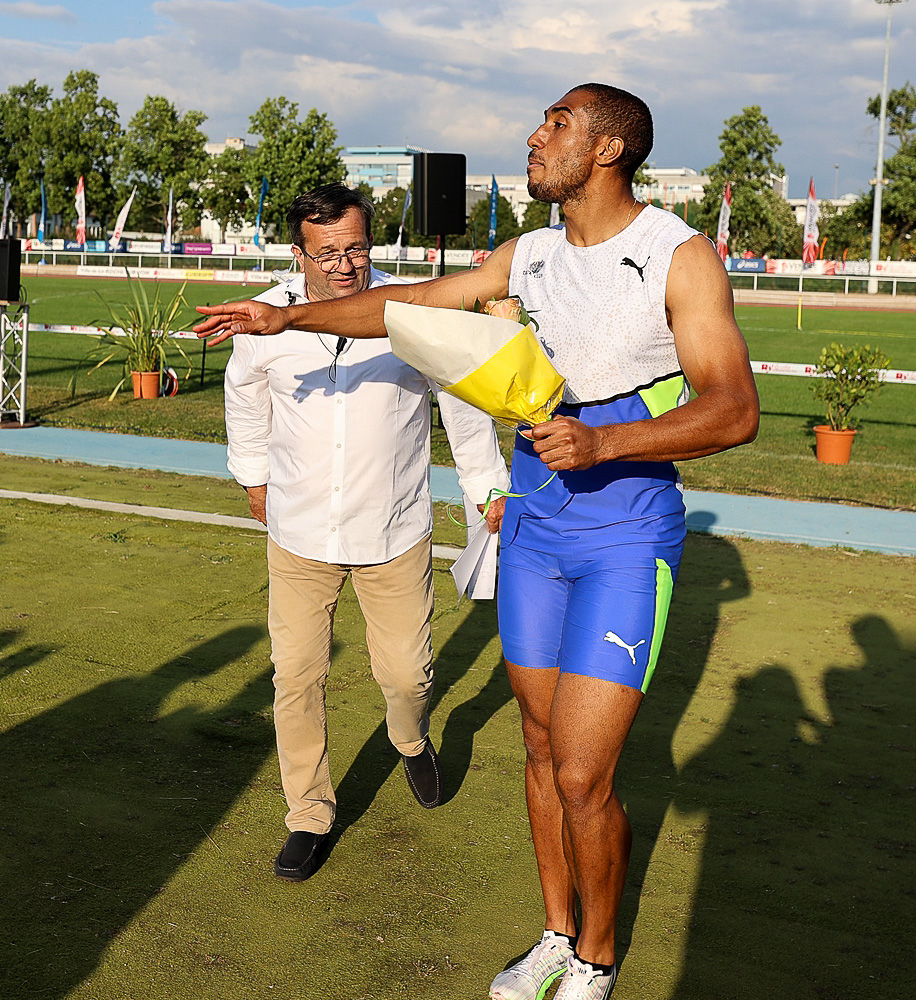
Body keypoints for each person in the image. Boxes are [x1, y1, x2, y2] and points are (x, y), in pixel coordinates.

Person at [194, 84, 760, 1000]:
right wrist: (283, 315)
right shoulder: (527, 255)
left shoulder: (677, 256)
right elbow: (405, 307)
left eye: (559, 125)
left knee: (583, 773)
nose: (537, 137)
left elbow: (735, 408)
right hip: (536, 524)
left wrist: (604, 441)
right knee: (538, 752)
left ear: (610, 149)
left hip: (625, 533)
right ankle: (553, 932)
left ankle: (596, 960)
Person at [224, 183, 509, 883]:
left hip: (394, 528)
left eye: (356, 248)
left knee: (408, 677)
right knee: (296, 675)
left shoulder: (410, 312)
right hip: (298, 533)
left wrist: (487, 493)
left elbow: (463, 406)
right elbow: (245, 396)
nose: (345, 265)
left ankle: (409, 739)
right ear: (299, 253)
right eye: (327, 253)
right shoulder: (267, 321)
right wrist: (255, 479)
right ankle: (309, 816)